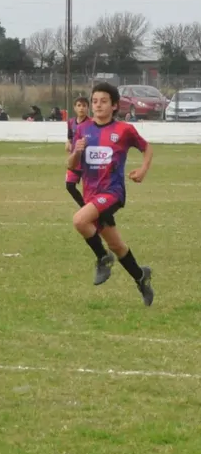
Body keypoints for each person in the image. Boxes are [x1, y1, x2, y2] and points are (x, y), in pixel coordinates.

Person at [67, 82, 154, 305]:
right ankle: (141, 276)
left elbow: (147, 147)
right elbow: (71, 165)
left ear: (114, 106)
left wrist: (143, 169)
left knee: (79, 220)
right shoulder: (82, 130)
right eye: (95, 101)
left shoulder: (124, 130)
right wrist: (76, 152)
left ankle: (103, 258)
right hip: (91, 195)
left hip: (112, 193)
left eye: (104, 101)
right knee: (117, 245)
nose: (98, 105)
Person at [64, 96, 90, 207]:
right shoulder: (71, 122)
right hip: (75, 160)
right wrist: (68, 143)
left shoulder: (91, 123)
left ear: (88, 108)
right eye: (79, 105)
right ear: (74, 108)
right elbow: (70, 137)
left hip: (87, 162)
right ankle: (84, 207)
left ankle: (92, 211)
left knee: (89, 190)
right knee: (70, 185)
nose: (81, 108)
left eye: (84, 106)